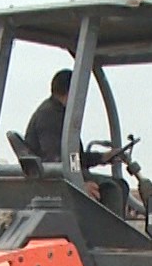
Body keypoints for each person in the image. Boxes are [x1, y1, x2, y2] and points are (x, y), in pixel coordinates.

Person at [24, 69, 106, 200]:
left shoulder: (58, 113)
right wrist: (80, 184)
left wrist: (102, 158)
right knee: (112, 188)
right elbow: (55, 159)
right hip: (55, 184)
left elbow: (73, 158)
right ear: (72, 91)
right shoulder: (51, 117)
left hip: (63, 177)